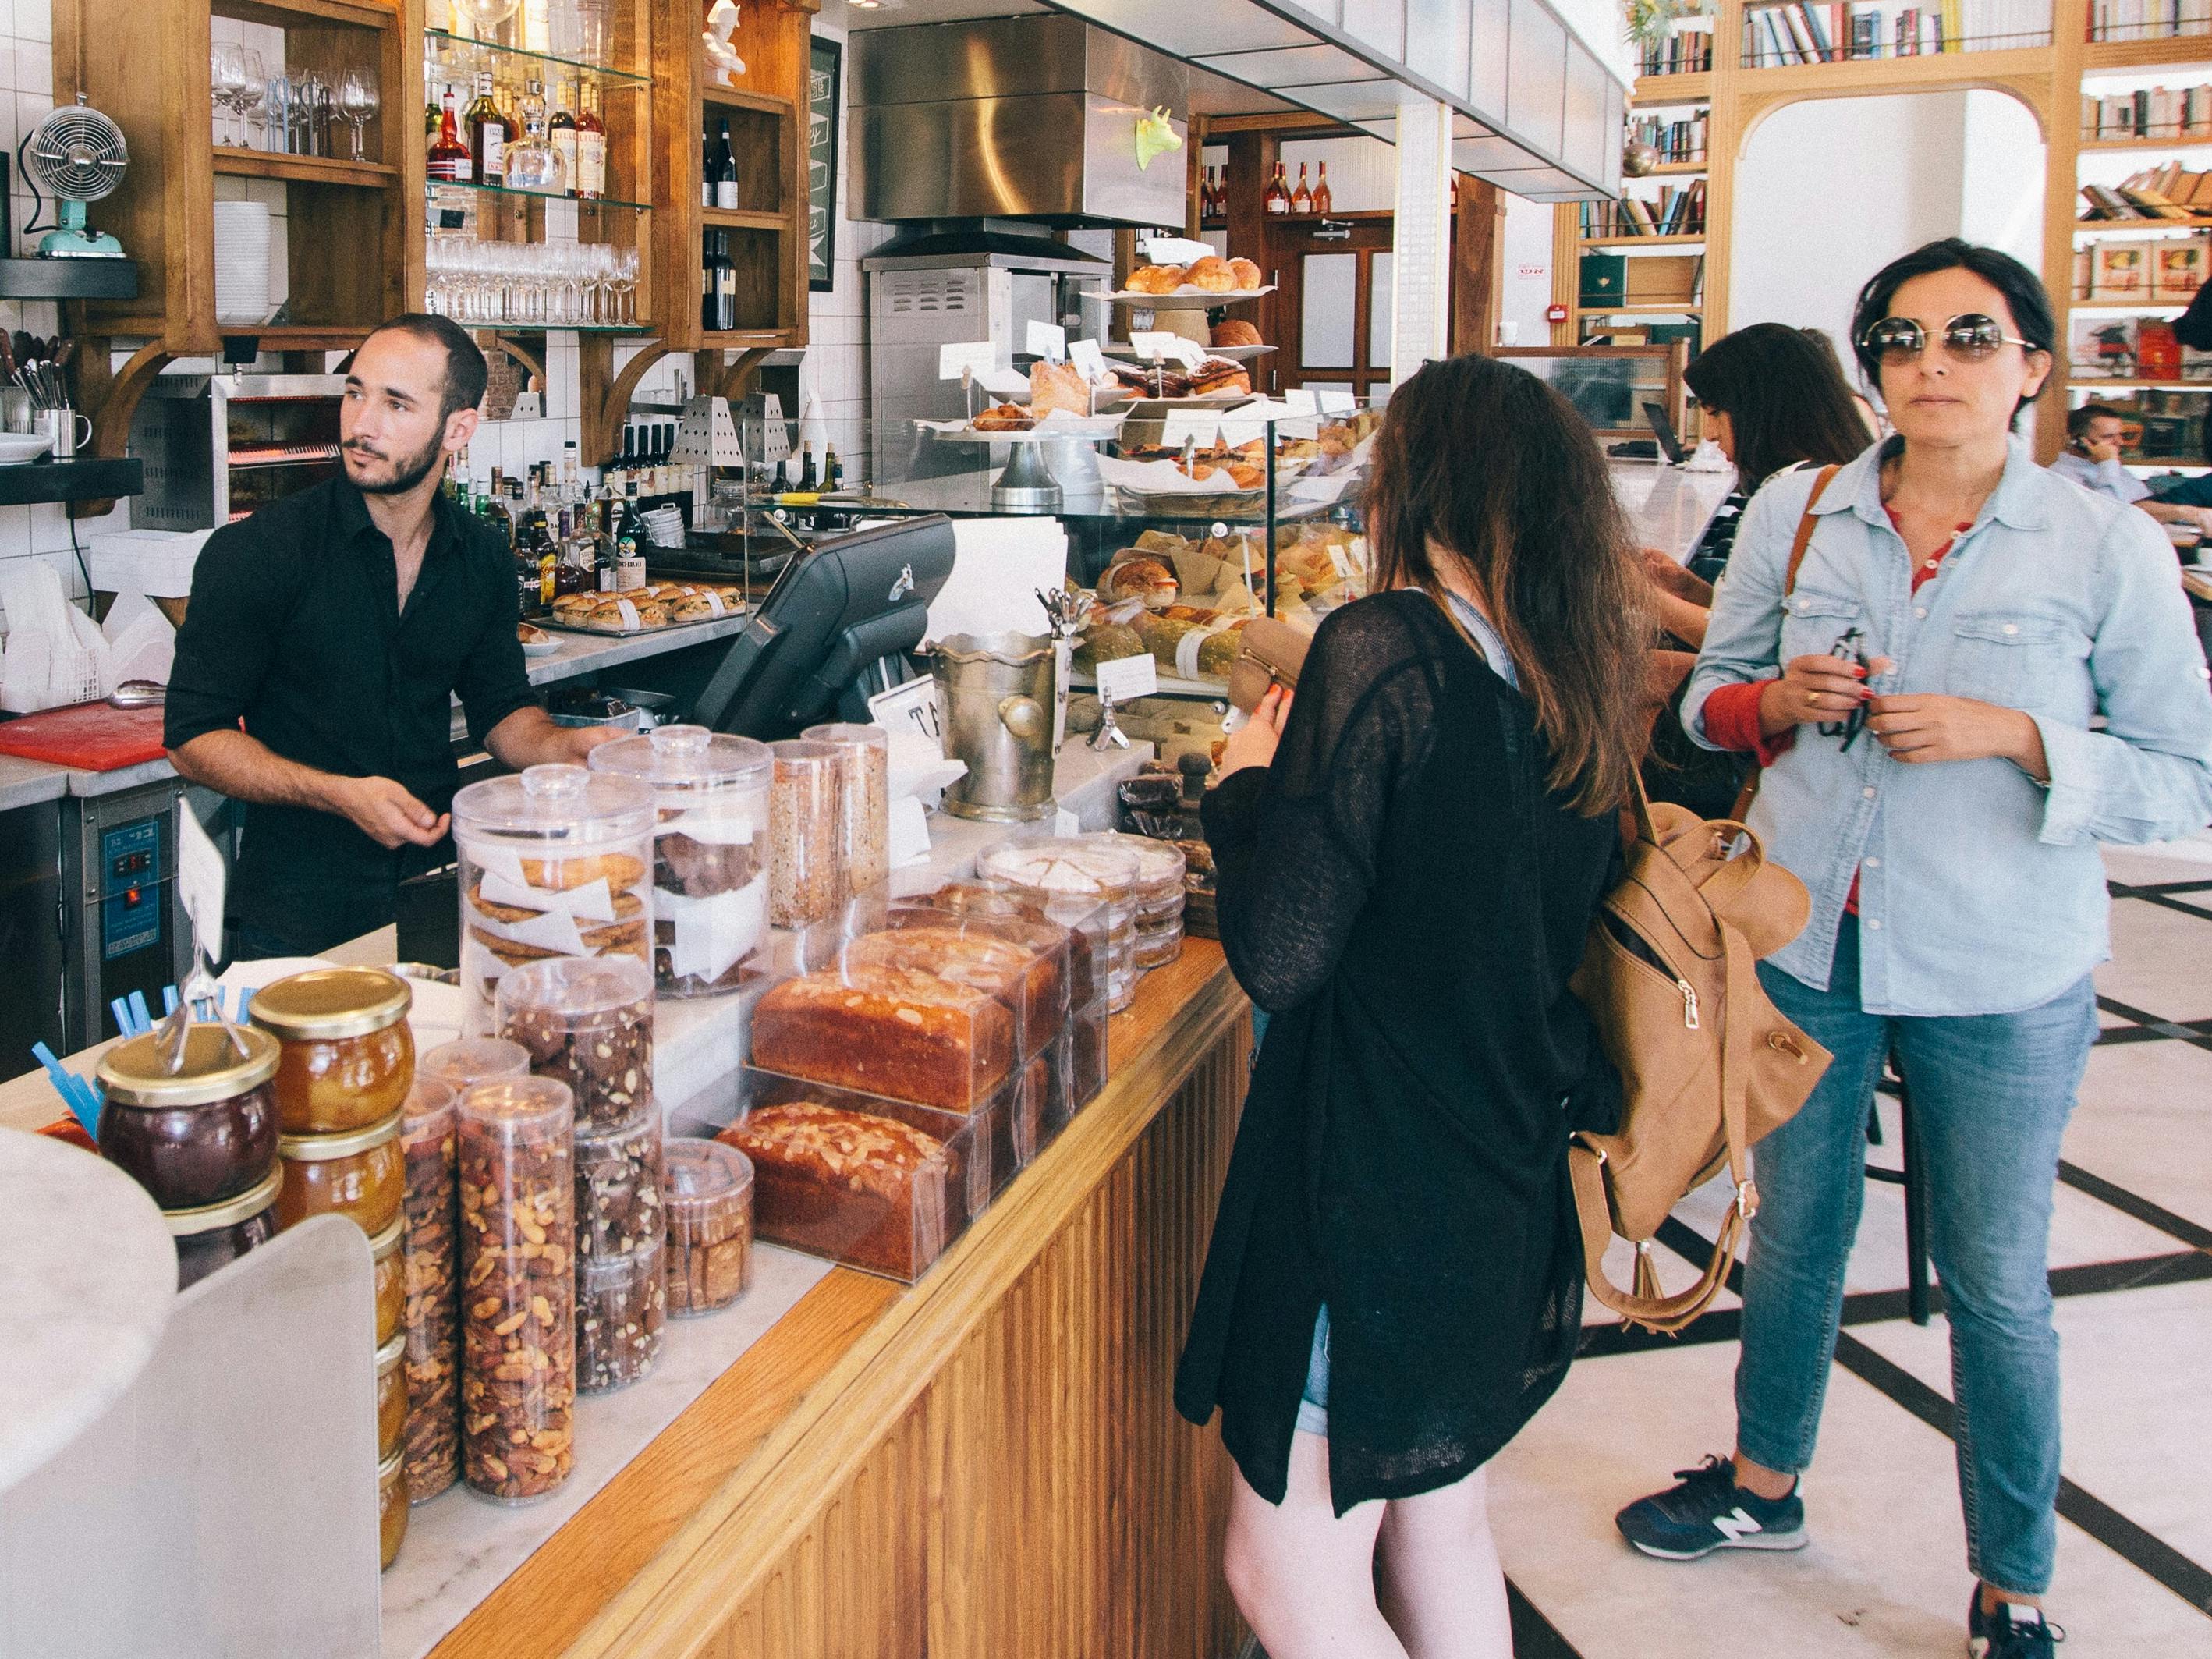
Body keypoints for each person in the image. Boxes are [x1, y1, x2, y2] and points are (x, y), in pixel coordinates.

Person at [1617, 239, 2212, 1659]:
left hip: (2003, 969)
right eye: (1899, 338)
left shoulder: (2101, 544)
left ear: (2033, 367)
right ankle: (1765, 1484)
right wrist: (1774, 699)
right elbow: (1701, 710)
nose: (1930, 363)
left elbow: (2184, 778)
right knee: (1798, 1231)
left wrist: (2015, 736)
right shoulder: (1803, 511)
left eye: (1969, 336)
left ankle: (2014, 1580)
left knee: (1998, 1279)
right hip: (1812, 937)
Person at [1176, 355, 1647, 1659]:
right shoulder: (1571, 672)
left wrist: (1247, 785)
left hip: (1374, 1187)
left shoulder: (1383, 652)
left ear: (1414, 481)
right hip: (1497, 1164)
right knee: (1440, 1523)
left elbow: (1282, 951)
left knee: (1285, 1577)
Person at [165, 314, 616, 959]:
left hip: (437, 897)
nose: (361, 424)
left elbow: (501, 710)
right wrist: (339, 794)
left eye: (396, 403)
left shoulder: (480, 554)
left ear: (457, 428)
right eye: (355, 393)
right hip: (296, 921)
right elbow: (190, 738)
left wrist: (565, 748)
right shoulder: (259, 552)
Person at [1641, 323, 1873, 819]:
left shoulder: (1792, 498)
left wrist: (1647, 599)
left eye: (1713, 410)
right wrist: (1686, 586)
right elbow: (1760, 614)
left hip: (1770, 725)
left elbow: (1738, 647)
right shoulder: (1824, 479)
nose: (1709, 432)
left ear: (1761, 406)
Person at [2049, 402, 2212, 537]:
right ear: (2078, 441)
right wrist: (2108, 464)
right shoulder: (2060, 477)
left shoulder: (2122, 474)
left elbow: (2145, 508)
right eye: (2108, 437)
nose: (2119, 442)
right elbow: (2106, 516)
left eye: (2120, 435)